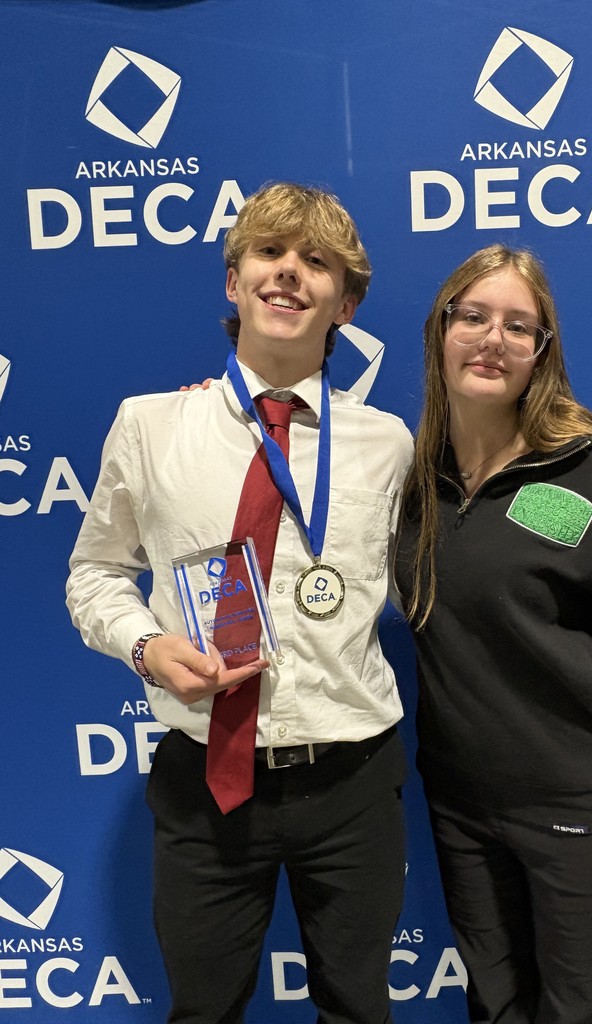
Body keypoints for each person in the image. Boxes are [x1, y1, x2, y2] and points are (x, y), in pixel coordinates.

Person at [66, 182, 413, 1024]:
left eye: (317, 262)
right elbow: (95, 574)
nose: (290, 273)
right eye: (269, 253)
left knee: (360, 1009)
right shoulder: (149, 426)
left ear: (347, 301)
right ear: (234, 281)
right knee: (204, 1011)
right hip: (206, 781)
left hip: (352, 778)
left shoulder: (388, 441)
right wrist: (147, 648)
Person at [394, 244, 592, 1024]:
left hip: (578, 810)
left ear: (543, 353)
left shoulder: (587, 476)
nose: (492, 339)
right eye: (472, 316)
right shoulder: (414, 481)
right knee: (496, 1007)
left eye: (519, 325)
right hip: (464, 811)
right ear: (440, 331)